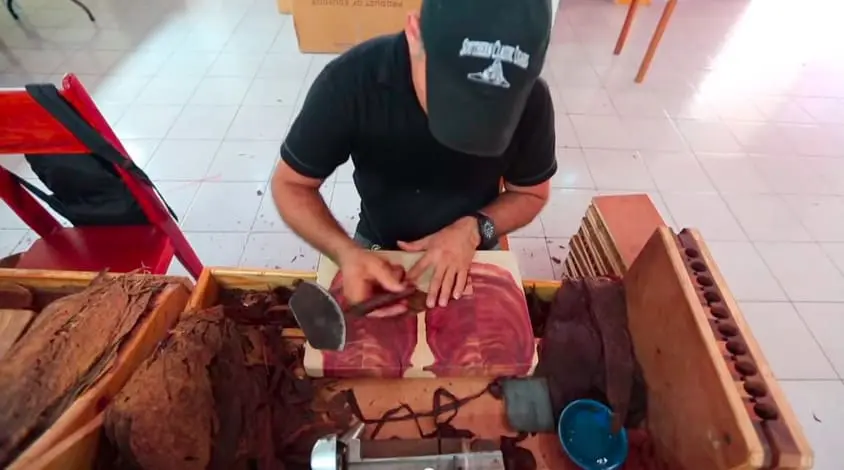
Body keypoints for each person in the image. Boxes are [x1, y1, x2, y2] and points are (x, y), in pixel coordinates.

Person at [272, 0, 556, 312]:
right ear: (415, 33)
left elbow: (531, 193)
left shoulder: (533, 99)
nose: (466, 121)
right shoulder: (353, 81)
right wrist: (345, 252)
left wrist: (475, 229)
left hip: (474, 238)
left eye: (492, 110)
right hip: (378, 239)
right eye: (452, 95)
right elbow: (291, 184)